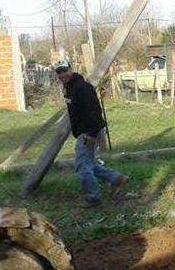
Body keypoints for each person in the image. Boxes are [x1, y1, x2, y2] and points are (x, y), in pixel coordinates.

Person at [55, 60, 129, 207]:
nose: (62, 74)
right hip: (84, 131)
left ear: (71, 69)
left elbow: (94, 111)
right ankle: (116, 178)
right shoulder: (69, 88)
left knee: (82, 166)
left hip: (89, 131)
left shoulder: (83, 87)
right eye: (59, 72)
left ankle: (93, 198)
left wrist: (91, 134)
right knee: (89, 164)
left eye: (64, 70)